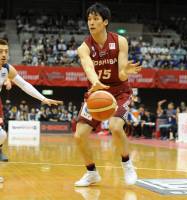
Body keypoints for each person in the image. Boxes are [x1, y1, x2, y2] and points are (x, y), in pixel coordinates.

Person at [74, 2, 142, 187]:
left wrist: (126, 70)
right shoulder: (84, 47)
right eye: (89, 19)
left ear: (105, 22)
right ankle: (91, 173)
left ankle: (127, 165)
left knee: (116, 126)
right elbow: (88, 66)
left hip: (120, 92)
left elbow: (121, 74)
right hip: (97, 92)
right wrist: (95, 81)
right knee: (79, 135)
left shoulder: (120, 41)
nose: (91, 22)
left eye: (95, 18)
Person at [0, 38, 63, 182]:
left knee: (2, 135)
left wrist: (43, 99)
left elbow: (24, 85)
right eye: (0, 52)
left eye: (6, 51)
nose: (4, 54)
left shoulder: (7, 69)